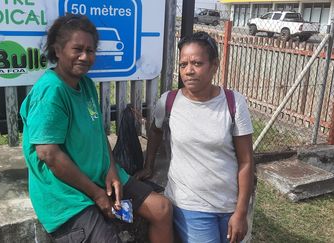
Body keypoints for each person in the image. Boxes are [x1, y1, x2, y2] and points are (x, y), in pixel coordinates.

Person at [19, 14, 173, 243]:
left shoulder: (86, 85)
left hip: (101, 178)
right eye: (77, 49)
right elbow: (48, 154)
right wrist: (97, 194)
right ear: (58, 50)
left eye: (90, 51)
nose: (85, 56)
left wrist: (112, 169)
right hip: (67, 195)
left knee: (161, 209)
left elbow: (98, 136)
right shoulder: (51, 92)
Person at [135, 31, 254, 243]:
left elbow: (246, 161)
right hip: (190, 205)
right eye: (183, 64)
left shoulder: (233, 103)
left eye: (197, 63)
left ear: (214, 65)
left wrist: (241, 211)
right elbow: (155, 130)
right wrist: (149, 165)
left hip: (229, 203)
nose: (189, 71)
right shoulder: (169, 101)